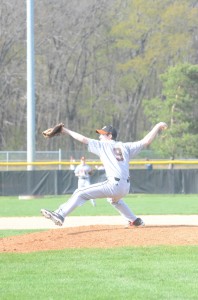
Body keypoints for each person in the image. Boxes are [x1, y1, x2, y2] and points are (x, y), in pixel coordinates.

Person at [41, 122, 167, 227]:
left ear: (110, 136)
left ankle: (60, 214)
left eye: (102, 134)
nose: (99, 136)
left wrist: (65, 130)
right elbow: (146, 141)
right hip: (125, 187)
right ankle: (135, 220)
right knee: (114, 200)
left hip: (114, 184)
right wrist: (158, 125)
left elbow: (83, 139)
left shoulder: (103, 145)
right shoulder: (126, 146)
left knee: (80, 193)